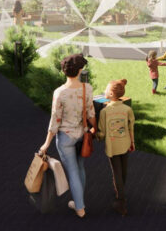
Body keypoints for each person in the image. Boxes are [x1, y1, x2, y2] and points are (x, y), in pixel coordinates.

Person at [38, 54, 96, 219]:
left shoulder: (60, 93)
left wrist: (46, 144)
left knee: (72, 172)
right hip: (82, 135)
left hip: (66, 139)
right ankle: (79, 200)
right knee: (80, 168)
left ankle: (80, 208)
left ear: (64, 71)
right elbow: (91, 113)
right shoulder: (87, 88)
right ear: (79, 71)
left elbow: (55, 121)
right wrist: (96, 129)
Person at [97, 79, 135, 216]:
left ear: (111, 93)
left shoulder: (104, 112)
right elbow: (131, 127)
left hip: (113, 147)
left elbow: (102, 132)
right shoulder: (127, 109)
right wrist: (132, 142)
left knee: (116, 172)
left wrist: (96, 135)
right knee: (124, 170)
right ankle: (121, 189)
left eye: (106, 90)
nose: (104, 91)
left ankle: (121, 201)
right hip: (125, 144)